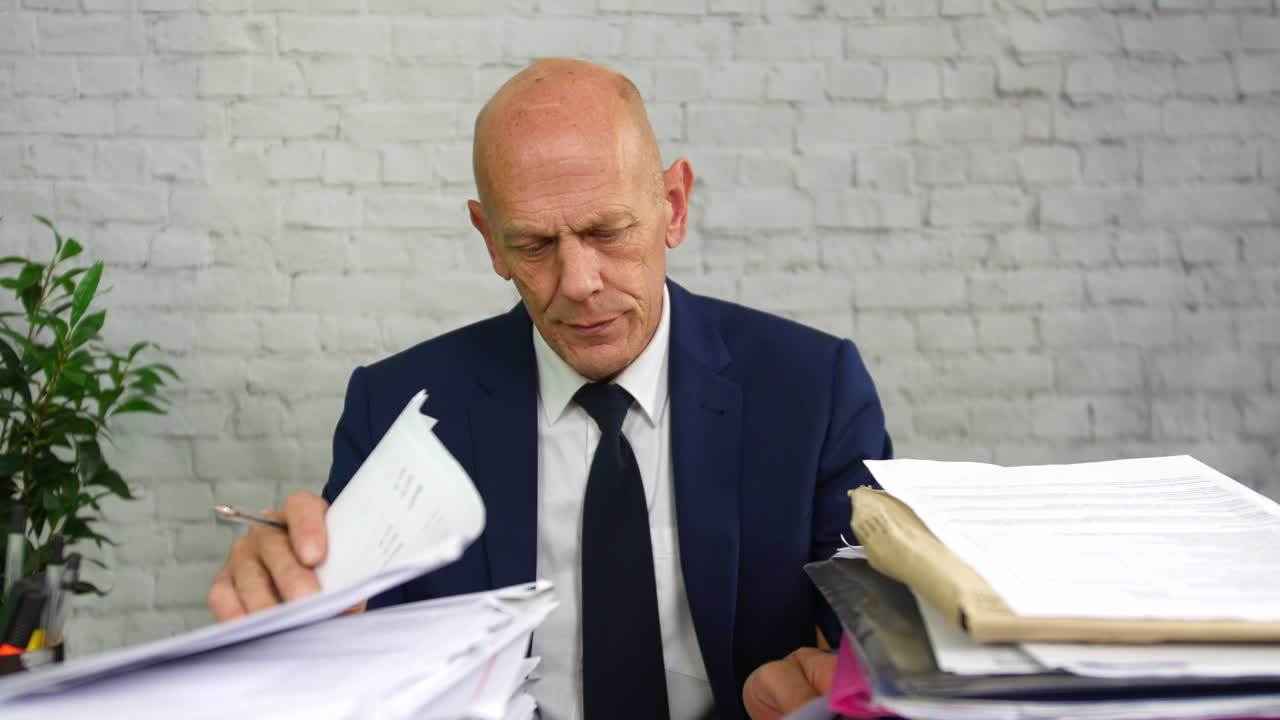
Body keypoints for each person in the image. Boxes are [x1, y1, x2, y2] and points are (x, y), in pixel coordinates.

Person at [207, 58, 890, 720]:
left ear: (673, 207)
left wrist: (851, 682)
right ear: (491, 242)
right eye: (534, 245)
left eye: (607, 232)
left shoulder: (813, 392)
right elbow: (355, 662)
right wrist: (295, 610)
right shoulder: (393, 409)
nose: (579, 283)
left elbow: (886, 639)